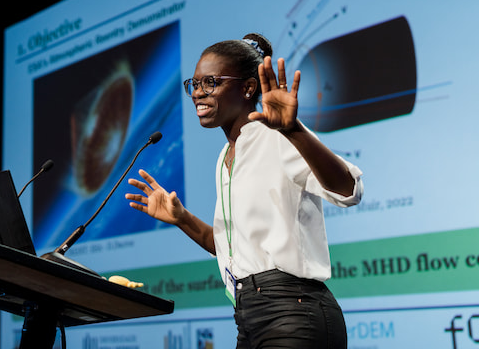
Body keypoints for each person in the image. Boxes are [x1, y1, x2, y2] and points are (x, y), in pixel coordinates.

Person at [125, 34, 363, 348]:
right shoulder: (225, 158)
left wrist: (293, 131)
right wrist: (182, 218)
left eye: (210, 82)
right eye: (194, 84)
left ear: (248, 88)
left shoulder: (276, 136)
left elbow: (349, 189)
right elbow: (229, 247)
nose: (198, 93)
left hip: (294, 312)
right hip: (248, 317)